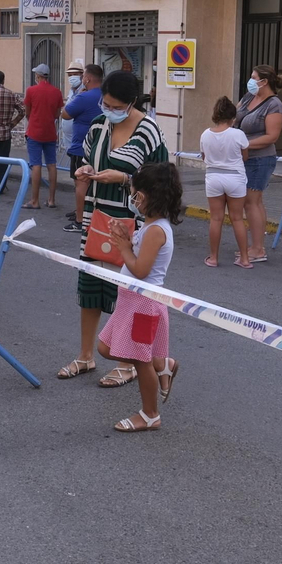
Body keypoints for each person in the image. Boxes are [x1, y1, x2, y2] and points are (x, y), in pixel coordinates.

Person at [61, 70, 169, 386]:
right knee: (90, 290)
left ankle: (129, 361)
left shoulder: (149, 131)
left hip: (132, 223)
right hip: (97, 220)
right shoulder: (99, 125)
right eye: (105, 102)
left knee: (128, 296)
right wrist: (87, 171)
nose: (109, 108)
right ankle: (85, 356)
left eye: (115, 105)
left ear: (132, 102)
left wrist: (124, 179)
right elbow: (91, 160)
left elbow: (161, 182)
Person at [97, 161, 183, 433]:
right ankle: (164, 364)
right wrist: (126, 237)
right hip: (131, 303)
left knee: (139, 359)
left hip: (144, 305)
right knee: (106, 348)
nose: (132, 200)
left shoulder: (157, 230)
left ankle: (150, 414)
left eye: (134, 195)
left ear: (144, 197)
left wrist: (123, 247)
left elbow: (141, 270)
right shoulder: (149, 226)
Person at [234, 65, 282, 263]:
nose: (250, 81)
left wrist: (243, 144)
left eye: (254, 77)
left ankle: (258, 249)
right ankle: (256, 245)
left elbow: (272, 136)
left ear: (264, 82)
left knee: (251, 201)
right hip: (243, 157)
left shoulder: (274, 105)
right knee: (251, 202)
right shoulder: (248, 97)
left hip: (260, 159)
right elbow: (235, 116)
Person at [200, 96, 252, 268]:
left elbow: (204, 157)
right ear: (233, 117)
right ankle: (244, 259)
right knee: (237, 219)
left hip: (213, 177)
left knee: (216, 219)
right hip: (235, 178)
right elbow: (245, 157)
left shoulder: (205, 134)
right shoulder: (238, 134)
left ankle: (213, 258)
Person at [61, 64, 106, 234]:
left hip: (81, 147)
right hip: (100, 148)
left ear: (87, 78)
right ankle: (84, 212)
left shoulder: (84, 97)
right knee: (91, 184)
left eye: (82, 77)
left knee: (80, 183)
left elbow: (65, 114)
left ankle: (80, 220)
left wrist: (78, 97)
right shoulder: (106, 96)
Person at [22, 63, 64, 209]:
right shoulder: (57, 92)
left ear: (38, 76)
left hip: (35, 131)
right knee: (52, 164)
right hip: (50, 132)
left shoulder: (31, 91)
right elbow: (57, 114)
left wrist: (34, 119)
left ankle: (35, 200)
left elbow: (27, 112)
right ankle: (51, 199)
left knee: (36, 165)